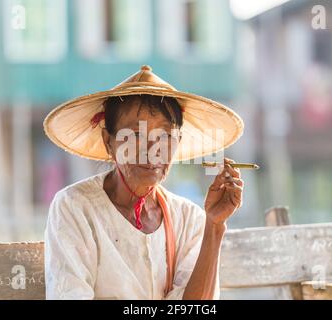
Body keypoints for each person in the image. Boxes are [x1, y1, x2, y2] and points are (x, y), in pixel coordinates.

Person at [43, 65, 244, 299]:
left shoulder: (190, 219)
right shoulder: (76, 207)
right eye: (136, 135)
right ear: (109, 141)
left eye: (165, 136)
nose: (153, 149)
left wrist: (215, 226)